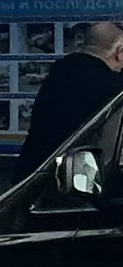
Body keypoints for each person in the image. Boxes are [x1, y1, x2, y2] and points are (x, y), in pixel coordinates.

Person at [15, 20, 123, 173]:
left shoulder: (59, 73)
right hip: (78, 181)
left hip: (32, 176)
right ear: (119, 52)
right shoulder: (113, 87)